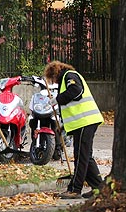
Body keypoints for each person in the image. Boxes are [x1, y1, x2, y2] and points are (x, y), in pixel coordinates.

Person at [44, 61, 104, 199]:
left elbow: (76, 91)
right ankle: (99, 188)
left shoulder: (69, 75)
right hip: (84, 122)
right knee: (86, 157)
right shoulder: (68, 76)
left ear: (55, 73)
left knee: (81, 157)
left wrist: (58, 99)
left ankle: (75, 189)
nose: (53, 82)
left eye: (52, 79)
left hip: (85, 121)